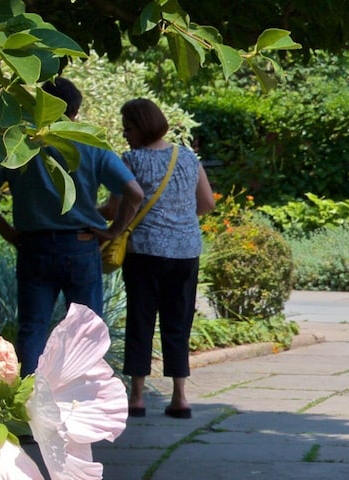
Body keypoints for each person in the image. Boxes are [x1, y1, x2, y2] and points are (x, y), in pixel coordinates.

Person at [0, 78, 145, 375]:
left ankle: (28, 400)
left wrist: (5, 230)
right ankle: (81, 395)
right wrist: (114, 232)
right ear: (75, 112)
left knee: (33, 328)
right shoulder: (90, 145)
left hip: (33, 246)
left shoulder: (19, 144)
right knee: (85, 330)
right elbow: (134, 193)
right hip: (82, 244)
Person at [112, 98, 215, 419]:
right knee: (178, 322)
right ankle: (180, 397)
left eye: (128, 128)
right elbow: (207, 203)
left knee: (140, 320)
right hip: (185, 252)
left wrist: (88, 214)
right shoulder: (187, 157)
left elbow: (116, 207)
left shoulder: (131, 160)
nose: (125, 134)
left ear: (141, 128)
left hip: (144, 252)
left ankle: (138, 397)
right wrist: (179, 217)